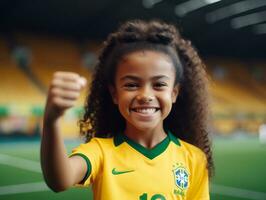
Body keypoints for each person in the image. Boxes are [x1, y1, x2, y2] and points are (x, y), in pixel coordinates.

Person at [41, 19, 214, 200]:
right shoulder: (100, 152)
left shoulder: (194, 159)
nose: (145, 95)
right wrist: (51, 120)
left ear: (174, 93)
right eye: (131, 85)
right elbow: (59, 180)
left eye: (159, 84)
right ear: (114, 94)